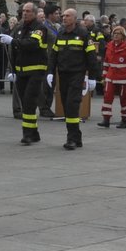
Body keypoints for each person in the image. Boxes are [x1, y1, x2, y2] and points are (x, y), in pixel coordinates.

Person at [47, 8, 99, 151]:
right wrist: (50, 72)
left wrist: (93, 77)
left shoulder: (83, 34)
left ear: (75, 18)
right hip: (62, 75)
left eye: (67, 16)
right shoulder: (61, 34)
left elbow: (91, 56)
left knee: (72, 104)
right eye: (63, 16)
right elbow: (54, 55)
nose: (64, 18)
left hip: (77, 74)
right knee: (66, 105)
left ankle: (71, 138)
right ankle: (77, 136)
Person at [5, 1, 51, 144]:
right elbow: (15, 51)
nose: (24, 13)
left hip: (36, 71)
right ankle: (34, 132)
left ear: (35, 13)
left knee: (29, 101)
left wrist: (13, 41)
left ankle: (27, 135)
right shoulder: (19, 28)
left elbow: (32, 44)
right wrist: (12, 70)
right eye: (23, 11)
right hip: (21, 72)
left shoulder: (39, 28)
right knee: (25, 104)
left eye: (28, 11)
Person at [97, 24, 126, 129]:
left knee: (124, 100)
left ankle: (124, 120)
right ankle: (106, 119)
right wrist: (104, 76)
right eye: (114, 33)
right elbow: (106, 63)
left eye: (118, 33)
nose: (115, 35)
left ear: (123, 36)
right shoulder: (109, 46)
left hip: (124, 79)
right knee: (107, 98)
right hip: (110, 77)